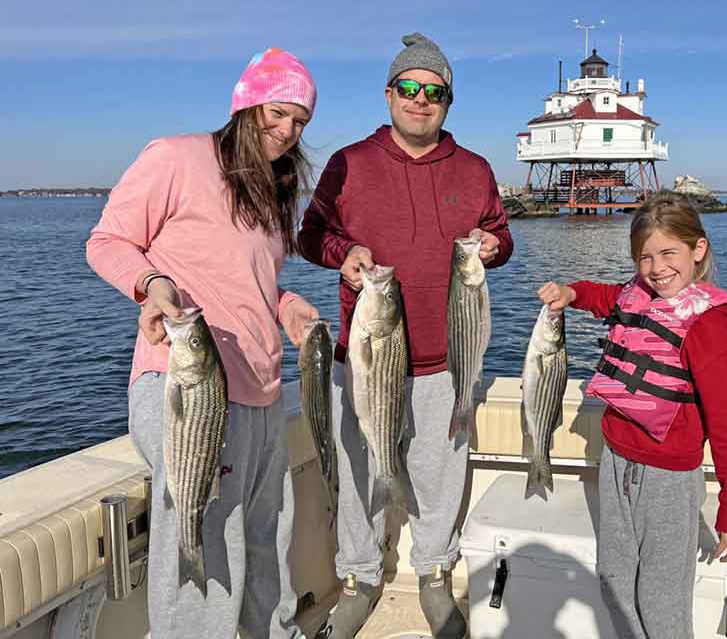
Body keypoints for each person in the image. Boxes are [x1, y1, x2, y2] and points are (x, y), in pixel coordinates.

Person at [86, 48, 321, 639]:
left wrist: (286, 306)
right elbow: (108, 241)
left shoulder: (273, 190)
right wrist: (152, 283)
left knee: (269, 539)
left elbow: (249, 283)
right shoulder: (176, 157)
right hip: (185, 385)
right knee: (207, 543)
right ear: (245, 106)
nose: (287, 130)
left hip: (264, 392)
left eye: (299, 121)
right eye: (277, 113)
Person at [298, 32, 513, 639]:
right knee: (362, 470)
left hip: (446, 363)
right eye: (410, 88)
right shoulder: (348, 162)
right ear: (389, 94)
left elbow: (500, 233)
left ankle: (435, 575)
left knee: (440, 476)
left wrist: (495, 246)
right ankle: (361, 577)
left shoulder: (473, 169)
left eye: (435, 91)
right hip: (364, 359)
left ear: (449, 101)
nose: (421, 100)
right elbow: (309, 235)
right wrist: (342, 253)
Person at [537, 190, 727, 639]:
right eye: (644, 258)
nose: (656, 269)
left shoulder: (707, 324)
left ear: (698, 250)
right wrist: (570, 292)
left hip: (669, 479)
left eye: (669, 253)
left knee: (661, 596)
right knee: (614, 578)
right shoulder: (637, 293)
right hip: (617, 461)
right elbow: (606, 297)